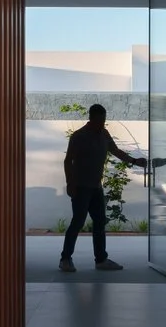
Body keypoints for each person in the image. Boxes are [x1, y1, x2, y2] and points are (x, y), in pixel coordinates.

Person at [59, 104, 146, 272]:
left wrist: (134, 161)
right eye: (99, 120)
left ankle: (101, 260)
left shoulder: (104, 134)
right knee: (78, 222)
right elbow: (67, 160)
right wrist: (70, 183)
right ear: (91, 118)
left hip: (96, 188)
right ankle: (65, 259)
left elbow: (116, 151)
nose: (102, 124)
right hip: (80, 187)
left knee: (99, 222)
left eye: (104, 120)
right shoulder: (79, 136)